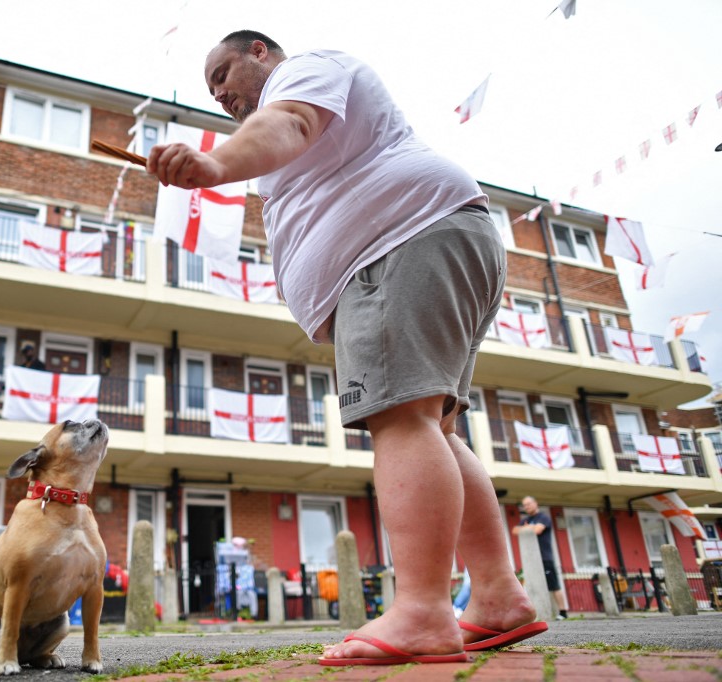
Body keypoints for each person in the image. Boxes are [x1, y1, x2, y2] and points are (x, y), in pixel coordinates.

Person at [148, 30, 546, 665]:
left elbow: (291, 122)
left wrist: (215, 165)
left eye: (223, 72)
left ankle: (421, 611)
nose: (218, 91)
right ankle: (497, 595)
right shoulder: (300, 103)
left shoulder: (302, 75)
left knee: (404, 419)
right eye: (210, 88)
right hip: (431, 233)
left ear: (260, 52)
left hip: (395, 241)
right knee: (436, 427)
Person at [513, 495, 568, 620]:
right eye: (524, 505)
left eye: (528, 503)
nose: (527, 506)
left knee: (554, 586)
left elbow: (538, 530)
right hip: (531, 560)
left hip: (545, 557)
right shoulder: (526, 519)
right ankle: (540, 612)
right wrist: (528, 527)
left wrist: (527, 528)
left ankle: (563, 612)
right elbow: (515, 530)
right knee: (534, 585)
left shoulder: (544, 517)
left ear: (535, 503)